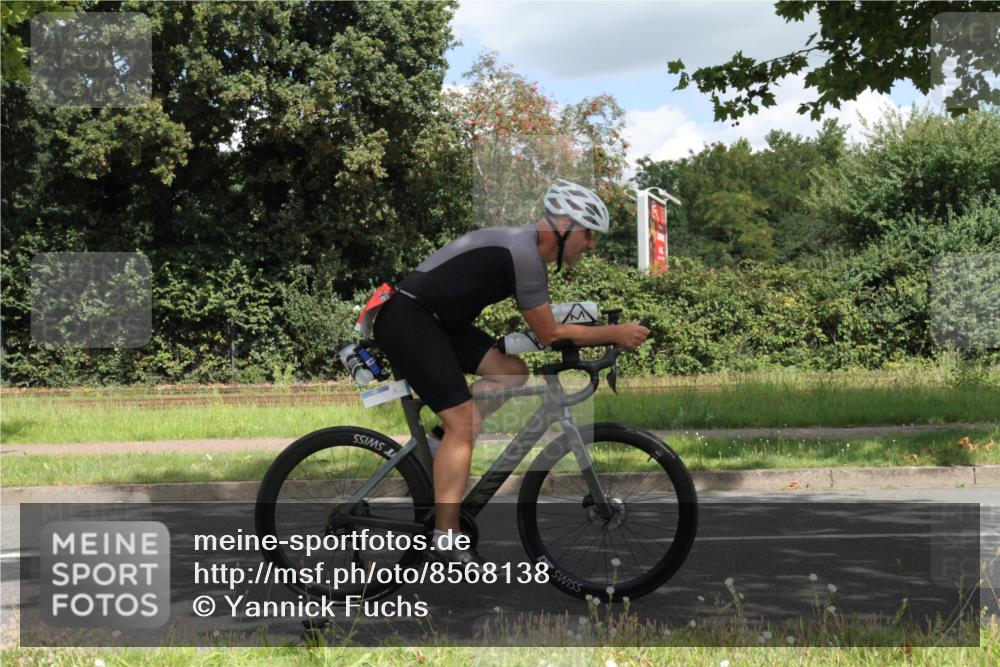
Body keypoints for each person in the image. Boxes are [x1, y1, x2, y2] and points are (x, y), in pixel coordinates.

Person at [372, 179, 650, 564]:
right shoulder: (524, 254)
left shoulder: (526, 251)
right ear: (565, 225)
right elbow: (549, 332)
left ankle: (438, 445)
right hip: (410, 319)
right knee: (464, 424)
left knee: (512, 372)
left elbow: (547, 324)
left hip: (436, 322)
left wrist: (599, 334)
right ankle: (445, 536)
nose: (591, 245)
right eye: (588, 234)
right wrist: (615, 333)